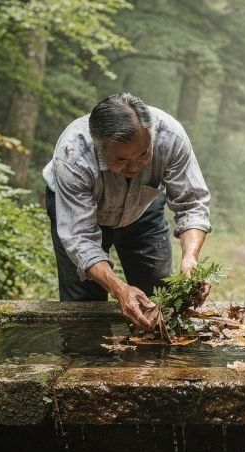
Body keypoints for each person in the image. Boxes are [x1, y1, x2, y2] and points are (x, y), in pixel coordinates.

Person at [43, 92, 211, 329]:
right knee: (85, 307)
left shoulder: (170, 137)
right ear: (100, 149)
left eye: (144, 154)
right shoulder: (74, 154)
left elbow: (192, 204)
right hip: (81, 214)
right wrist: (119, 288)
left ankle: (156, 359)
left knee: (157, 296)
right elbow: (80, 238)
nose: (134, 166)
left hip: (143, 207)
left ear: (150, 136)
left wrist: (190, 258)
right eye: (121, 159)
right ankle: (88, 360)